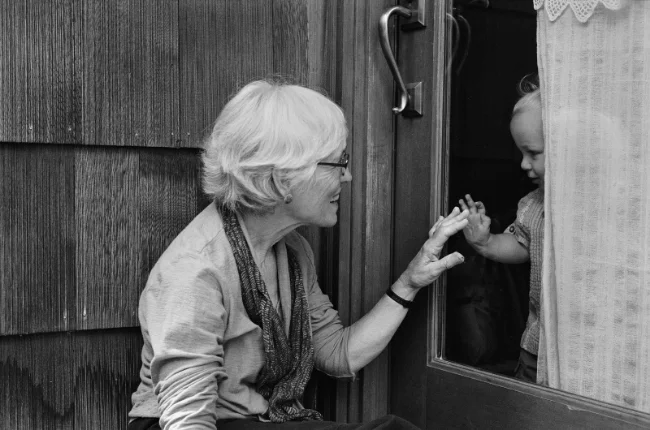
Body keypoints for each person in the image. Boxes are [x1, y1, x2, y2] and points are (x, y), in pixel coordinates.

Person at [127, 80, 469, 430]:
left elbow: (338, 354)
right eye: (338, 162)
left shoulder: (292, 252)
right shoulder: (196, 270)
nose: (348, 176)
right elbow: (186, 420)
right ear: (281, 179)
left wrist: (409, 282)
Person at [459, 76, 543, 384]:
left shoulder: (595, 209)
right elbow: (522, 245)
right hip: (537, 343)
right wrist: (486, 241)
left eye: (533, 153)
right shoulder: (533, 205)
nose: (523, 164)